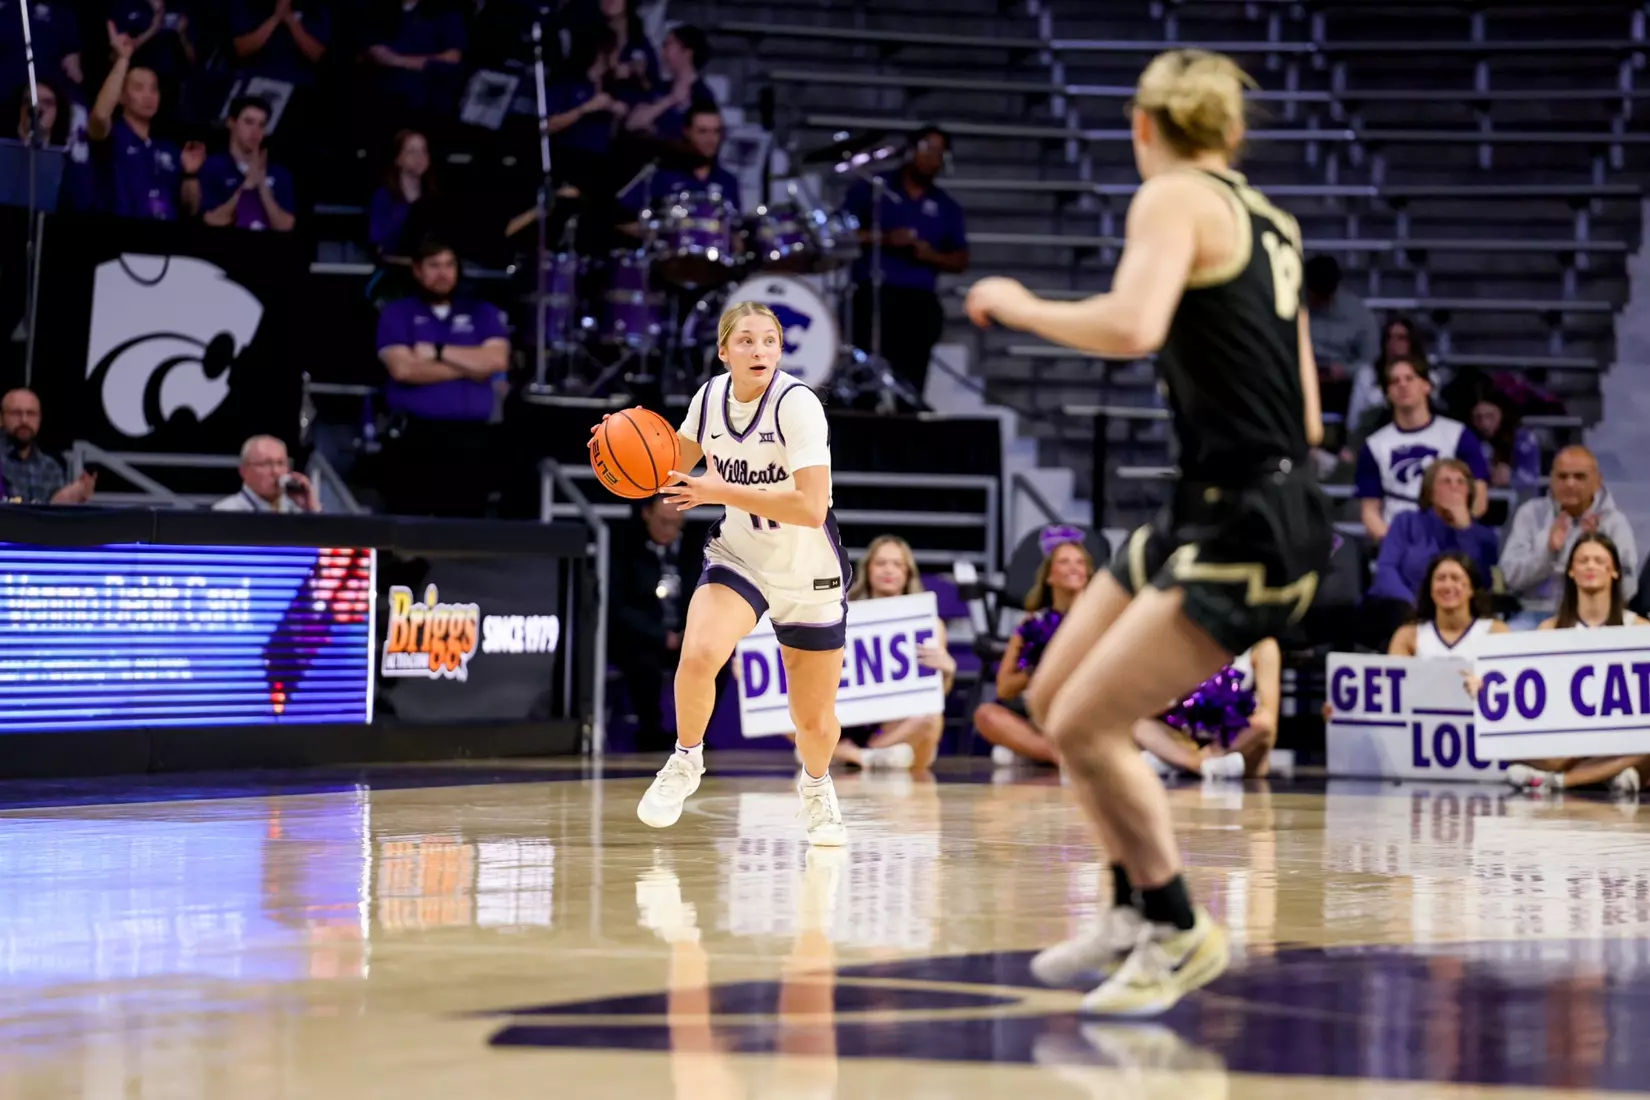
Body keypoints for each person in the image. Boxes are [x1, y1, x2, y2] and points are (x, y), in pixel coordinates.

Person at [964, 47, 1329, 1015]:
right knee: (1053, 695)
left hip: (1249, 510)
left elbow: (1133, 324)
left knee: (1084, 721)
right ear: (1233, 129)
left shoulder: (1171, 196)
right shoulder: (1271, 218)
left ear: (1143, 125)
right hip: (1218, 495)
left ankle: (1179, 922)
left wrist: (1021, 306)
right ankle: (1129, 902)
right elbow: (1310, 404)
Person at [592, 301, 851, 846]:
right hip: (741, 556)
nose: (759, 350)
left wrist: (716, 490)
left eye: (770, 341)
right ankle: (685, 762)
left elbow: (811, 506)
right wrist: (623, 439)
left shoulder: (798, 405)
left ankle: (818, 787)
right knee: (700, 652)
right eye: (747, 341)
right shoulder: (710, 397)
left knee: (815, 721)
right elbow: (669, 466)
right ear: (724, 350)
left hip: (808, 572)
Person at [376, 237, 512, 517]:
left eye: (449, 265)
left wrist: (438, 352)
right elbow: (403, 369)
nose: (443, 273)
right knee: (410, 527)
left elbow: (497, 360)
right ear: (417, 270)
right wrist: (471, 365)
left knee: (465, 531)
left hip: (472, 439)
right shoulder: (397, 313)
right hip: (415, 438)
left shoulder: (481, 312)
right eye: (434, 265)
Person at [1505, 533, 1647, 795]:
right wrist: (1487, 686)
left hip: (1622, 737)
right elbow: (1525, 691)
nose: (1591, 566)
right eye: (1583, 560)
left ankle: (1559, 781)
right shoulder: (1549, 630)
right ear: (1571, 571)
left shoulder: (1640, 629)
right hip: (1566, 739)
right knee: (1520, 749)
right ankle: (1607, 775)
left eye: (1599, 560)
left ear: (1614, 571)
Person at [844, 125, 969, 410]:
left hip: (916, 302)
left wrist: (929, 255)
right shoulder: (874, 189)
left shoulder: (946, 206)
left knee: (911, 385)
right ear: (911, 150)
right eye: (927, 148)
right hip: (873, 296)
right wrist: (885, 238)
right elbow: (844, 233)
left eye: (939, 152)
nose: (931, 158)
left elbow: (961, 259)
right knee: (862, 386)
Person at [818, 535, 955, 772]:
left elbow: (935, 695)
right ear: (868, 569)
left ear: (907, 573)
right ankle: (856, 755)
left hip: (893, 724)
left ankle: (856, 755)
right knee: (788, 707)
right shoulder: (839, 614)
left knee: (932, 718)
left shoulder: (930, 623)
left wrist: (948, 670)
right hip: (846, 718)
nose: (888, 570)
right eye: (881, 563)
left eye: (897, 564)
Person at [973, 538, 1095, 767]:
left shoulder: (1101, 620)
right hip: (1041, 715)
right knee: (986, 715)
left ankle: (1031, 750)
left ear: (1087, 573)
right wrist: (1036, 669)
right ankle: (1056, 755)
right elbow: (1004, 688)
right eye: (1064, 562)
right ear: (1050, 576)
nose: (1073, 568)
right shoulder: (1032, 624)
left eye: (1080, 563)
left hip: (1089, 712)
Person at [1361, 458, 1499, 646]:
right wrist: (1416, 609)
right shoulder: (1406, 522)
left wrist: (1465, 530)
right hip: (1405, 608)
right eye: (1446, 482)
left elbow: (1481, 581)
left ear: (1469, 491)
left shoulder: (1484, 535)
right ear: (1430, 491)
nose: (1454, 488)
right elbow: (1386, 570)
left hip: (1460, 613)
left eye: (1460, 482)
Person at [1499, 445, 1637, 630]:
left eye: (1579, 477)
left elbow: (1629, 586)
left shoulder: (1614, 522)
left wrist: (1595, 549)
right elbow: (1510, 577)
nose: (1570, 483)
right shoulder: (1531, 514)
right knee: (1508, 643)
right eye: (1562, 476)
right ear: (1552, 480)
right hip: (1534, 614)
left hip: (1597, 617)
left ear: (1598, 481)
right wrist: (1548, 552)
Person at [1355, 357, 1489, 541]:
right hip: (1398, 542)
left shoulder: (1458, 435)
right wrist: (1396, 544)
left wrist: (1461, 530)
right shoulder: (1375, 445)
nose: (1402, 385)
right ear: (1387, 393)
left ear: (1427, 386)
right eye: (1395, 381)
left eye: (1410, 378)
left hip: (1452, 541)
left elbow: (1479, 498)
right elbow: (1370, 512)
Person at [609, 495, 703, 753]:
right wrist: (661, 636)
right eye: (663, 521)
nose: (669, 529)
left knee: (715, 662)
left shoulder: (694, 550)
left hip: (685, 636)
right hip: (643, 638)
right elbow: (618, 607)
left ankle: (693, 737)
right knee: (642, 663)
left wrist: (689, 632)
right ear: (647, 513)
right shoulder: (625, 548)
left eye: (676, 523)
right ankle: (650, 732)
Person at [88, 23, 203, 220]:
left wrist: (190, 174)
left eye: (153, 88)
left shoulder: (169, 148)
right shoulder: (113, 137)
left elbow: (190, 209)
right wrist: (124, 59)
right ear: (121, 96)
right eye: (139, 88)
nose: (148, 96)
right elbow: (99, 116)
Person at [1135, 638, 1281, 780]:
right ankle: (1194, 764)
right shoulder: (1179, 639)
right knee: (1137, 724)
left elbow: (1267, 719)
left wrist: (1217, 750)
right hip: (1184, 741)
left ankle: (1186, 764)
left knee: (1263, 726)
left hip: (1234, 745)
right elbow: (1144, 710)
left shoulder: (1263, 647)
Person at [198, 96, 296, 232]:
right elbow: (213, 220)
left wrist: (261, 185)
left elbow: (285, 226)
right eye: (249, 122)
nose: (255, 131)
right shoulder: (212, 167)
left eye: (261, 125)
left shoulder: (279, 172)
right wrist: (247, 186)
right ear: (231, 123)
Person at [1387, 551, 1508, 658]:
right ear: (1430, 589)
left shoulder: (1494, 631)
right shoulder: (1408, 635)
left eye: (1455, 578)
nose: (1447, 586)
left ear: (1471, 589)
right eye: (1440, 578)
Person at [1303, 254, 1378, 421]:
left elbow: (1371, 361)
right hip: (1300, 378)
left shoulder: (1359, 314)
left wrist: (1345, 371)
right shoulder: (1291, 306)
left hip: (1342, 383)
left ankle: (1351, 441)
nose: (1317, 301)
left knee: (1367, 385)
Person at [1, 388, 95, 505]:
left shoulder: (51, 468)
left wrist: (64, 501)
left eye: (31, 414)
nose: (24, 420)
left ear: (39, 419)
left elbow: (53, 519)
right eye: (16, 413)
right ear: (1, 419)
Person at [624, 24, 711, 142]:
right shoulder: (661, 89)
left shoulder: (702, 96)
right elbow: (632, 123)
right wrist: (671, 99)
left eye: (668, 44)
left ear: (687, 53)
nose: (663, 51)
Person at [368, 129, 435, 259]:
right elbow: (378, 239)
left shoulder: (433, 197)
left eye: (423, 151)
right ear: (398, 159)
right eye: (412, 151)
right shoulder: (383, 197)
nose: (419, 157)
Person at [212, 434, 319, 513]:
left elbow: (322, 541)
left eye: (281, 463)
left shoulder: (298, 510)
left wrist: (312, 509)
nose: (276, 471)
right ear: (244, 471)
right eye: (266, 464)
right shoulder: (226, 512)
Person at [1470, 394, 1541, 490]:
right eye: (1478, 418)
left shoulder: (1524, 438)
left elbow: (1530, 479)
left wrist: (1511, 478)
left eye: (1490, 416)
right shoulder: (1467, 439)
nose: (1484, 424)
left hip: (1517, 499)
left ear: (1501, 414)